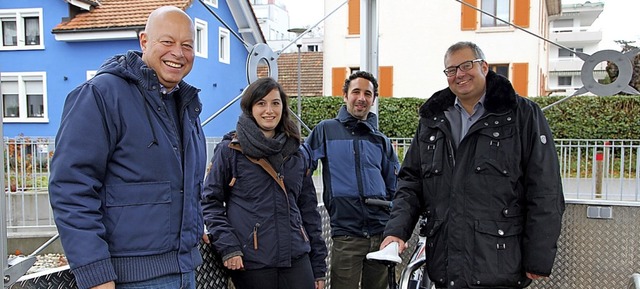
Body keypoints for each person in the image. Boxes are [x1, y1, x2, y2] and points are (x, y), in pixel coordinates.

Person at [380, 41, 565, 289]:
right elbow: (411, 183)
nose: (459, 74)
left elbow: (545, 189)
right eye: (451, 70)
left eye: (467, 65)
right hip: (444, 264)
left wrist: (538, 257)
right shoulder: (432, 121)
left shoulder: (522, 114)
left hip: (500, 264)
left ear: (484, 67)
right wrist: (396, 231)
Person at [48, 6, 207, 289]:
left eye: (187, 45)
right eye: (167, 41)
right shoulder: (101, 95)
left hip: (185, 272)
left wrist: (195, 226)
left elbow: (182, 184)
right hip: (130, 279)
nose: (178, 53)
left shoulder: (185, 104)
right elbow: (71, 187)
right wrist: (96, 274)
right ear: (144, 41)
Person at [201, 77, 327, 289]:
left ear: (283, 107)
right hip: (252, 261)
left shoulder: (297, 153)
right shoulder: (230, 151)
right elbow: (210, 203)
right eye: (261, 103)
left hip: (296, 257)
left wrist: (318, 266)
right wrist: (229, 247)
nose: (269, 110)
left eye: (275, 103)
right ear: (250, 108)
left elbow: (309, 212)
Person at [305, 71, 400, 289]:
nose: (362, 98)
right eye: (356, 91)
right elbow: (301, 167)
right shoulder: (326, 130)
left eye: (368, 93)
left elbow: (396, 187)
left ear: (373, 99)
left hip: (380, 235)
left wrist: (394, 229)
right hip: (347, 235)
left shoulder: (381, 141)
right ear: (345, 95)